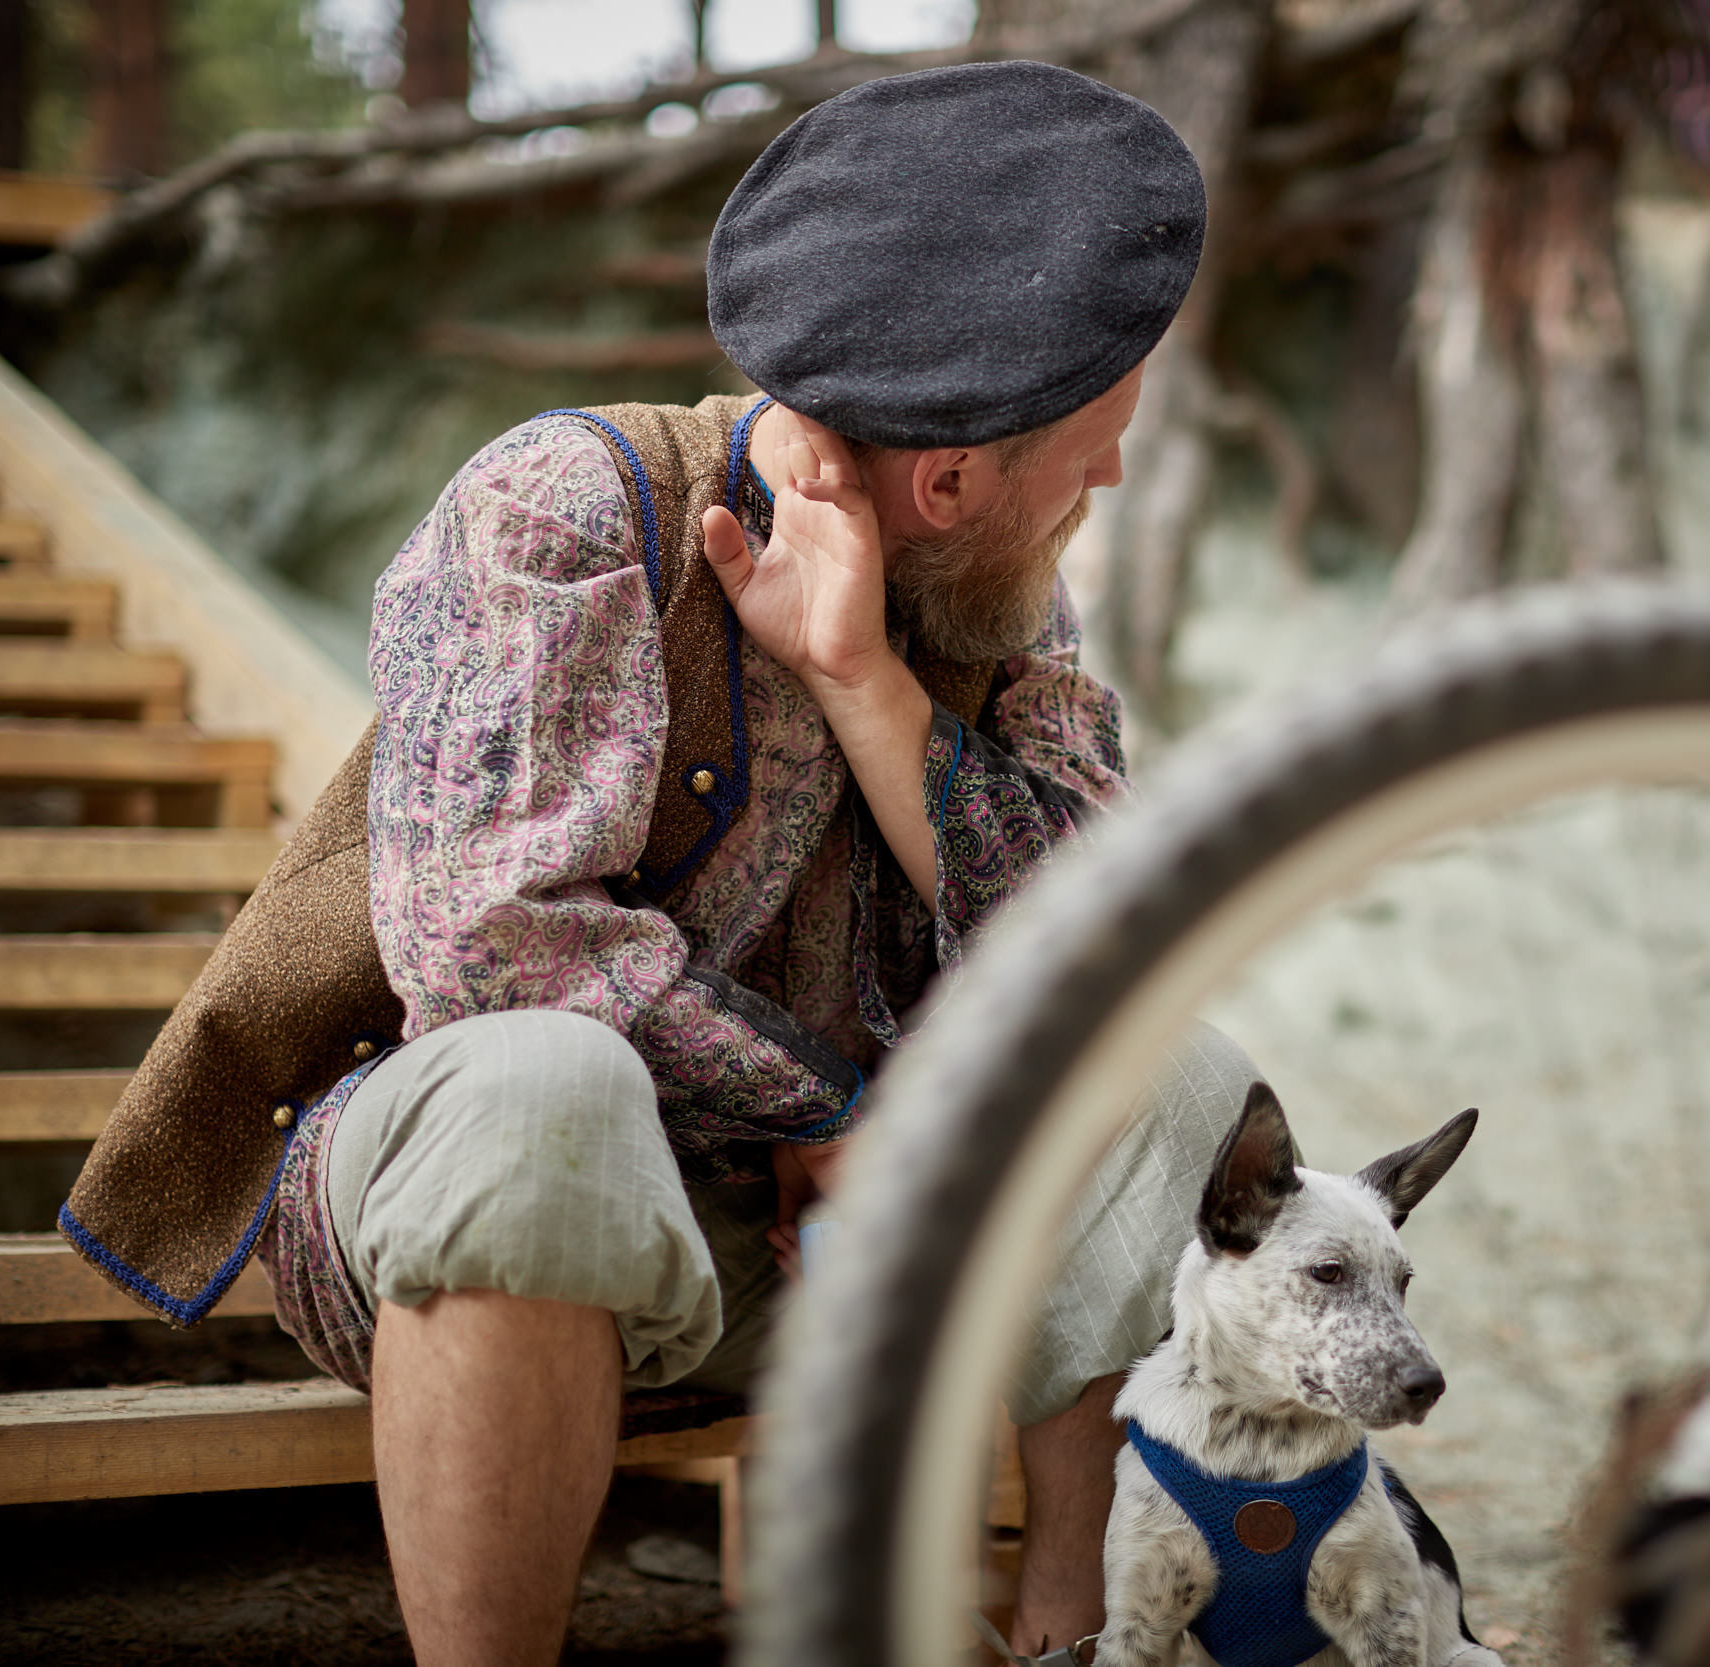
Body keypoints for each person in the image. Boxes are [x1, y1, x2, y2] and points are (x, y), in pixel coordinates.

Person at [239, 60, 1245, 1667]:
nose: (1109, 478)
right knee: (541, 1082)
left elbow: (1110, 947)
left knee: (1169, 1070)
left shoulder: (995, 596)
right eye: (1096, 445)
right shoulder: (563, 505)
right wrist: (838, 1112)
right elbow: (499, 952)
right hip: (481, 1211)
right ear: (952, 478)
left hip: (824, 1255)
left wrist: (863, 681)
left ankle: (1085, 1642)